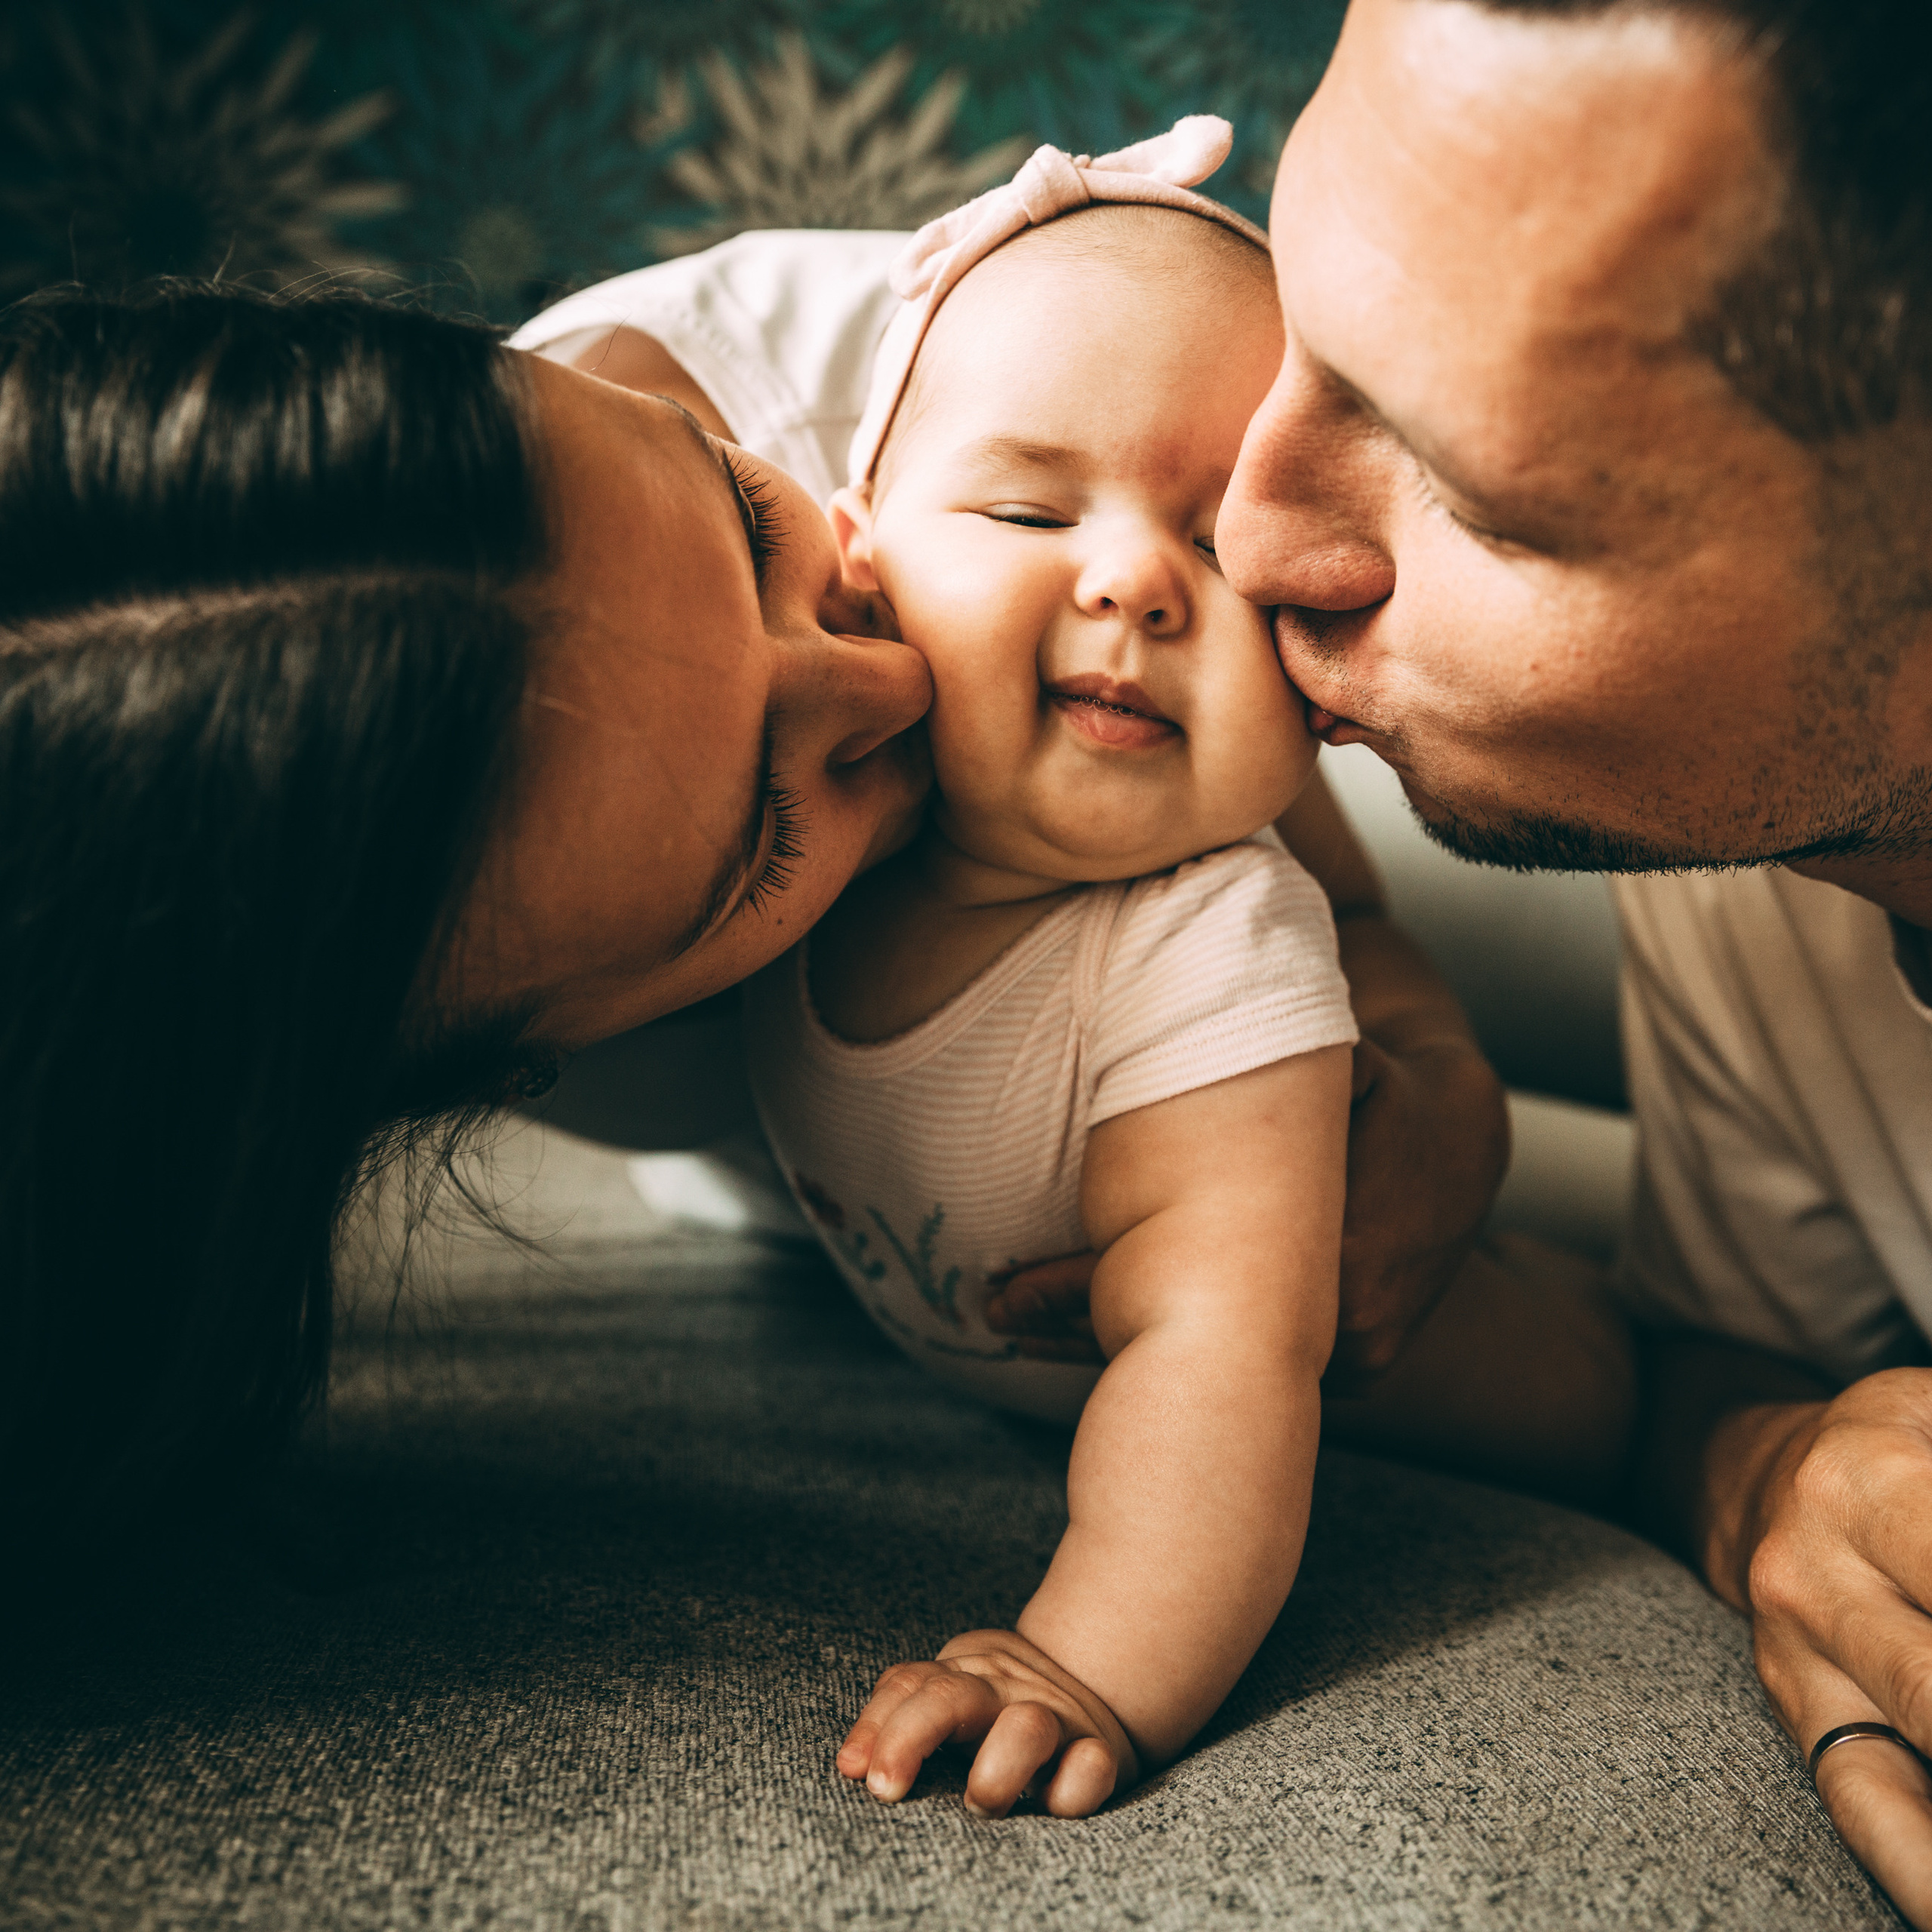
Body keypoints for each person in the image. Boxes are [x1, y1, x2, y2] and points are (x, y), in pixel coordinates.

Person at [1204, 0, 1932, 1921]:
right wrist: (1772, 1471)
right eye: (1292, 319)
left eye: (1476, 497)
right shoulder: (1755, 819)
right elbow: (1731, 1349)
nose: (1243, 533)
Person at [0, 279, 931, 1558]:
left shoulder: (966, 361)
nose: (901, 677)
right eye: (766, 841)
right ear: (520, 1060)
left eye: (752, 513)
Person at [753, 127, 1362, 1821]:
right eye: (1028, 506)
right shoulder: (794, 842)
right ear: (856, 554)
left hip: (1447, 1357)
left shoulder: (1208, 939)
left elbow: (1216, 1345)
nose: (1131, 580)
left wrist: (1085, 1653)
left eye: (1229, 551)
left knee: (1622, 1344)